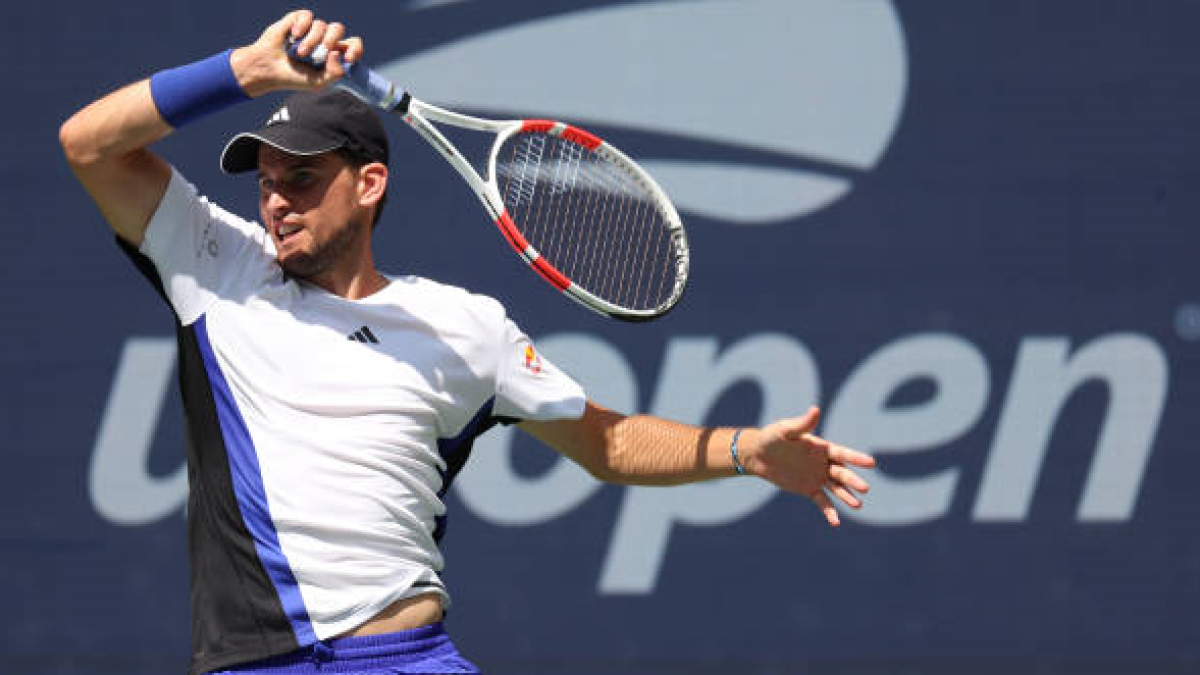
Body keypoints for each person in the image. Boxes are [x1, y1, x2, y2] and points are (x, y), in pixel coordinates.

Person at [59, 10, 876, 675]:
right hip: (257, 661)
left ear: (368, 184)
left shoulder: (465, 325)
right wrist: (244, 70)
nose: (277, 201)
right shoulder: (215, 262)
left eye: (302, 178)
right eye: (267, 182)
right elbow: (87, 143)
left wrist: (745, 451)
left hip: (406, 656)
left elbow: (606, 441)